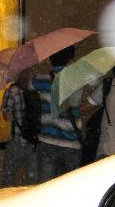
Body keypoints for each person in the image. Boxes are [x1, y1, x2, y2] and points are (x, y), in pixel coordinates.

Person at [32, 47, 82, 182]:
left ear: (51, 59)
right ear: (70, 59)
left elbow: (28, 84)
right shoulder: (78, 80)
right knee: (69, 189)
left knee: (45, 188)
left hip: (47, 141)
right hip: (71, 142)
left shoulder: (40, 80)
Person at [0, 68, 38, 187]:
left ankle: (8, 202)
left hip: (18, 140)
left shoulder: (12, 91)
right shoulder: (36, 89)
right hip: (34, 141)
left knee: (9, 175)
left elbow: (8, 116)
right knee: (33, 178)